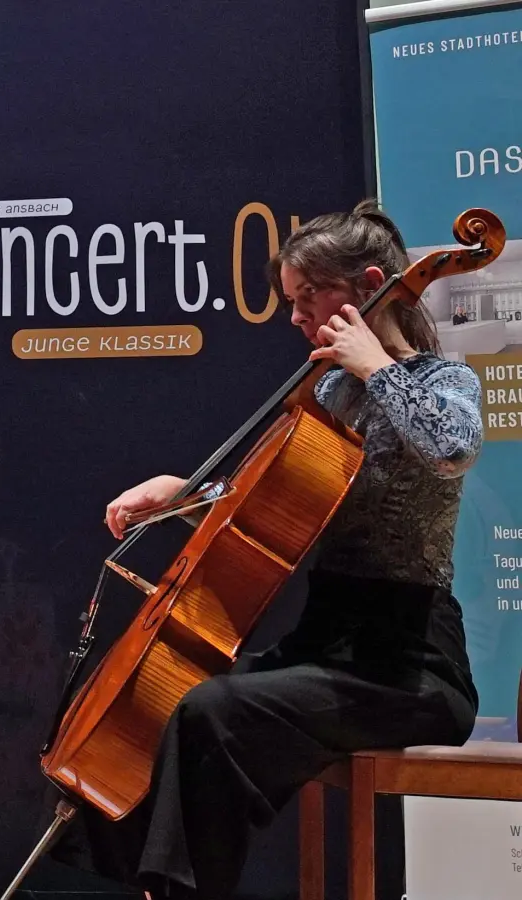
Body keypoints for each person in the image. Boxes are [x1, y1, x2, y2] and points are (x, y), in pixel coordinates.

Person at [50, 199, 482, 900]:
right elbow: (278, 497)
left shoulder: (439, 381)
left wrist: (379, 365)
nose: (295, 316)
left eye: (309, 296)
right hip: (328, 645)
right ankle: (153, 885)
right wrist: (185, 491)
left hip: (410, 668)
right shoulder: (333, 388)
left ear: (370, 282)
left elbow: (453, 448)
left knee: (216, 713)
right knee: (167, 695)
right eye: (292, 299)